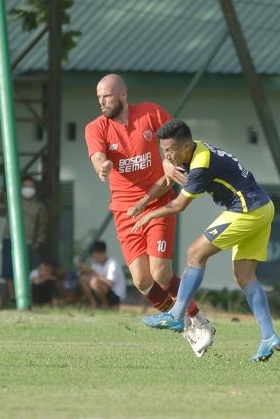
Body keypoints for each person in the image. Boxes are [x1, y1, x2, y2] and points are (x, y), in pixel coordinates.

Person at [84, 73, 214, 357]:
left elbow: (176, 141)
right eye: (99, 98)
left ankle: (197, 319)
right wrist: (102, 164)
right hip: (125, 211)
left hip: (157, 203)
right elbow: (96, 156)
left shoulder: (151, 113)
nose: (102, 102)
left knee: (161, 272)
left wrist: (169, 162)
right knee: (143, 282)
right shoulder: (96, 127)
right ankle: (184, 324)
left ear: (123, 95)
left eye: (106, 96)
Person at [135, 119, 280, 362]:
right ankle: (269, 337)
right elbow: (170, 180)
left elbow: (179, 205)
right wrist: (142, 202)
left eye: (169, 151)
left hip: (247, 209)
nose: (167, 157)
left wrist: (149, 214)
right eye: (164, 151)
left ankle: (176, 315)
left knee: (195, 253)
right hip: (263, 207)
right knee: (245, 276)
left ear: (184, 147)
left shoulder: (201, 164)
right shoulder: (196, 150)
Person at [0, 175, 47, 302]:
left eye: (31, 186)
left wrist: (38, 241)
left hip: (28, 243)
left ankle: (25, 297)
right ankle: (13, 298)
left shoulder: (39, 207)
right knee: (8, 270)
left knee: (28, 272)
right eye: (25, 186)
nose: (28, 189)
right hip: (9, 239)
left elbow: (42, 226)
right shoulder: (12, 199)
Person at [78, 240, 126, 309]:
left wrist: (93, 272)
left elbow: (110, 283)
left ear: (102, 253)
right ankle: (93, 303)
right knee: (83, 279)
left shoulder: (112, 264)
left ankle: (106, 305)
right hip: (105, 293)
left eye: (95, 257)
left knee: (95, 282)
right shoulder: (96, 264)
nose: (94, 259)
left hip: (116, 295)